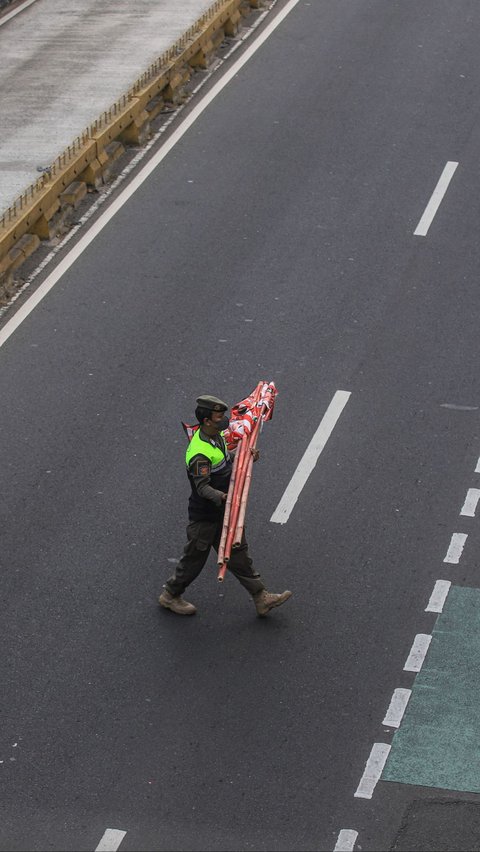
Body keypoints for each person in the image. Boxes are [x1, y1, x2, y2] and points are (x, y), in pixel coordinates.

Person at [159, 394, 292, 617]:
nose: (224, 420)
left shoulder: (216, 437)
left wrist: (244, 456)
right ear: (206, 421)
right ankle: (171, 595)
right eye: (219, 417)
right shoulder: (199, 454)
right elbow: (202, 488)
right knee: (194, 559)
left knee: (237, 552)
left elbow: (224, 458)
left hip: (223, 512)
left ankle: (261, 597)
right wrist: (224, 497)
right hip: (206, 517)